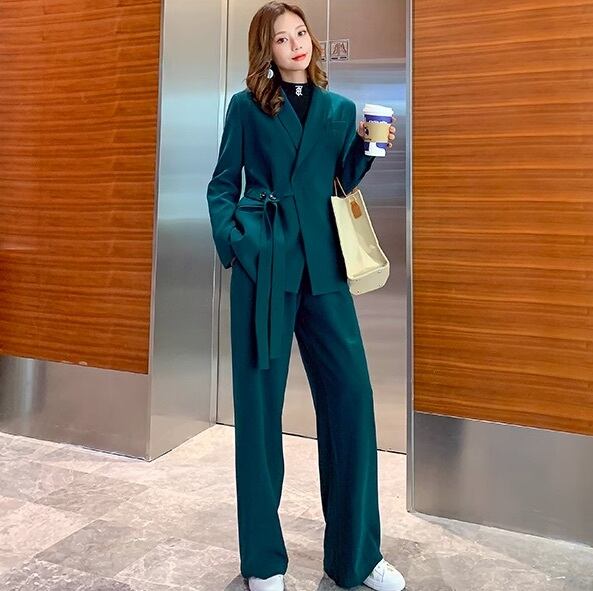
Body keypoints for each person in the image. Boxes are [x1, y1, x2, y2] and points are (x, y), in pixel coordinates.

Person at [206, 2, 403, 590]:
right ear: (265, 50)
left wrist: (369, 150)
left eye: (301, 32)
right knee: (259, 414)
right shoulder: (245, 107)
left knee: (352, 401)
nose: (295, 43)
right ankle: (264, 562)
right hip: (264, 265)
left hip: (325, 268)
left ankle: (357, 557)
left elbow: (339, 181)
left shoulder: (339, 110)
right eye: (281, 38)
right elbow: (222, 184)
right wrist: (238, 241)